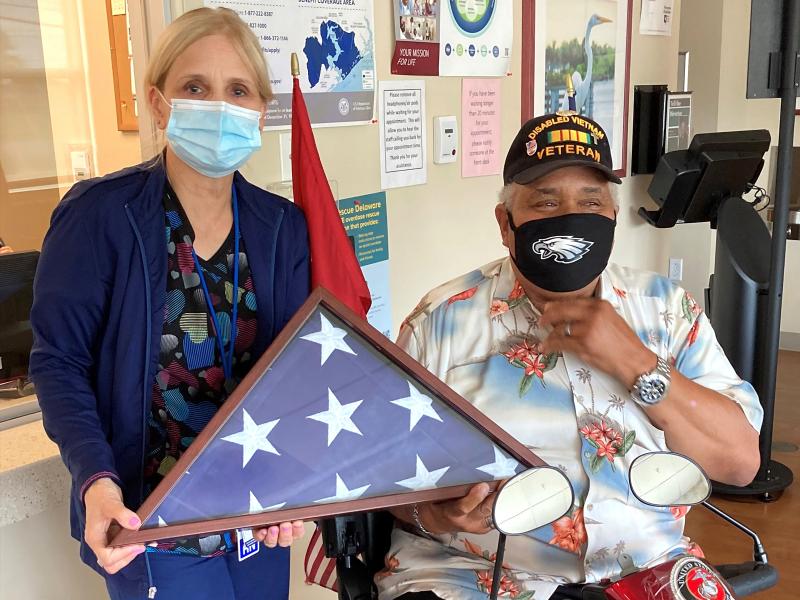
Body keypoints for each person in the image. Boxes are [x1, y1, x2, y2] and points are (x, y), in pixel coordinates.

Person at [376, 114, 763, 600]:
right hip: (470, 574)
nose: (570, 214)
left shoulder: (666, 309)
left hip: (645, 568)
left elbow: (740, 464)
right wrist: (435, 514)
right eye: (545, 201)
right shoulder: (440, 322)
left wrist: (638, 363)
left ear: (612, 220)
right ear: (505, 224)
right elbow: (376, 476)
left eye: (590, 201)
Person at [30, 8, 309, 600]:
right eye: (194, 88)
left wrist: (295, 479)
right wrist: (96, 481)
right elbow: (59, 363)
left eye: (238, 90)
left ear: (261, 109)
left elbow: (295, 370)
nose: (219, 105)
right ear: (159, 104)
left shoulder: (281, 226)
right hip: (151, 525)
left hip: (252, 516)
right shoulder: (99, 217)